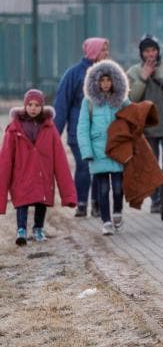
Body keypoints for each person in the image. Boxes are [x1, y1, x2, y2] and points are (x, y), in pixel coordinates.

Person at [0, 89, 77, 245]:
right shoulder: (15, 128)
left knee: (41, 202)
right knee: (22, 202)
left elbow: (60, 160)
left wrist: (68, 194)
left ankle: (38, 228)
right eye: (30, 104)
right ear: (25, 106)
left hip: (43, 174)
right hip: (21, 174)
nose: (33, 108)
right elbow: (6, 159)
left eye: (36, 105)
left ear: (42, 107)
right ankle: (21, 229)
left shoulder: (49, 128)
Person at [126, 34, 163, 214]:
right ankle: (156, 200)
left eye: (153, 50)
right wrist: (143, 78)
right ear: (141, 53)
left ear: (158, 51)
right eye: (146, 51)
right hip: (147, 128)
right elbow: (130, 99)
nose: (150, 54)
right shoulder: (133, 72)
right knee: (151, 166)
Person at [54, 37, 109, 218]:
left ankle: (98, 204)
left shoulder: (107, 73)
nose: (106, 54)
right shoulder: (74, 74)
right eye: (103, 50)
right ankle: (81, 203)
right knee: (84, 166)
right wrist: (54, 134)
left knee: (100, 167)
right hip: (78, 131)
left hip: (102, 131)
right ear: (94, 52)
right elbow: (62, 104)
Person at [77, 60, 131, 236]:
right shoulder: (89, 102)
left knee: (117, 186)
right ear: (96, 82)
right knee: (102, 188)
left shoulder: (122, 101)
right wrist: (87, 151)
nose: (106, 84)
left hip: (117, 150)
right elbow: (83, 128)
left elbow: (133, 119)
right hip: (98, 151)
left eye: (109, 80)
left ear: (115, 81)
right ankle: (106, 221)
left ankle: (117, 212)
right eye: (102, 80)